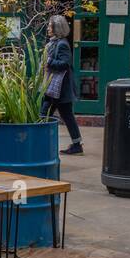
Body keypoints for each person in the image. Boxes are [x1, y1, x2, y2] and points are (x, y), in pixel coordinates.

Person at [42, 14, 82, 155]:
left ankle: (77, 146)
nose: (48, 28)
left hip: (60, 89)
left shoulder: (62, 44)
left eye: (50, 26)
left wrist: (49, 62)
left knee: (48, 115)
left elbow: (65, 64)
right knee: (45, 114)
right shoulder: (54, 42)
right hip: (54, 88)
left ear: (56, 28)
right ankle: (76, 145)